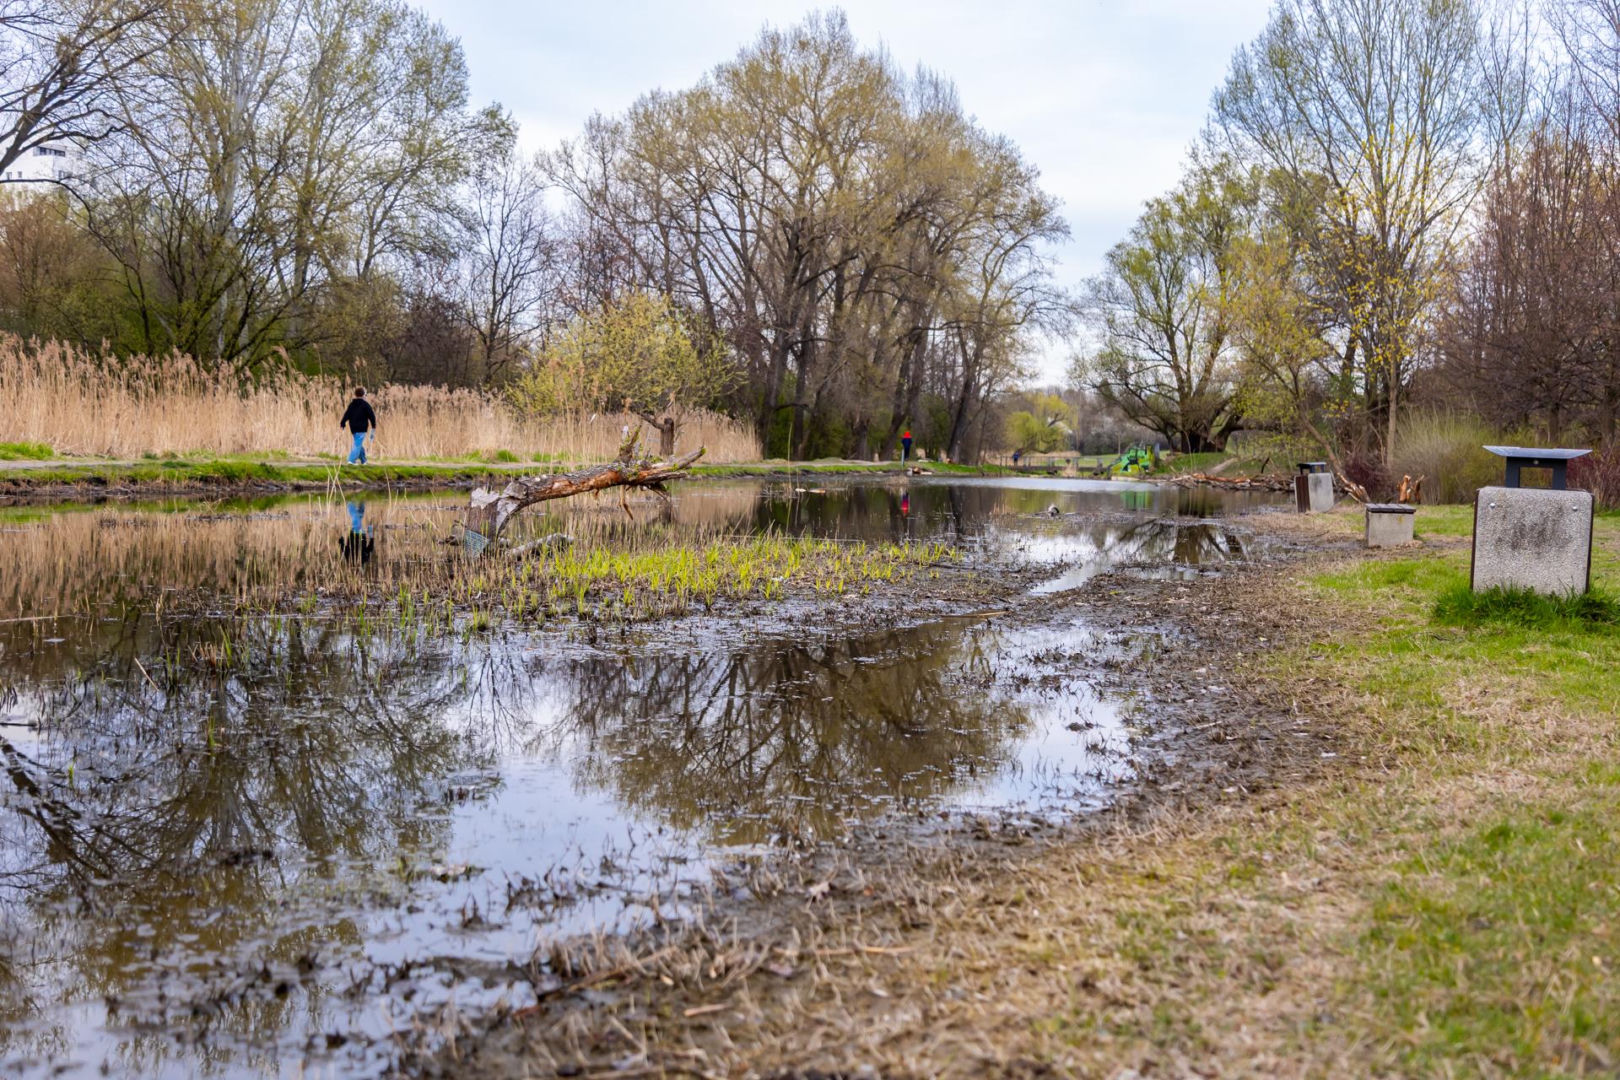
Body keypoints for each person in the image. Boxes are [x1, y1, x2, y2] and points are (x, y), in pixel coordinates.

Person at [341, 388, 377, 464]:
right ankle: (351, 460)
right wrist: (373, 426)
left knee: (358, 443)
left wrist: (343, 423)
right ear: (363, 395)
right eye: (365, 394)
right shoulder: (365, 405)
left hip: (353, 428)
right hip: (362, 428)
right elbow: (372, 416)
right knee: (357, 444)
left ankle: (364, 460)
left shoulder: (352, 404)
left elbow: (346, 414)